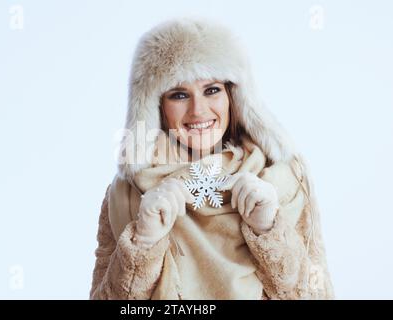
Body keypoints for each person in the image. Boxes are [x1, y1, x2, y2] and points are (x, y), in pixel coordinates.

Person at [89, 17, 334, 300]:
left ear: (235, 96)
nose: (198, 111)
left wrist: (270, 230)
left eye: (212, 90)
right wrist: (143, 241)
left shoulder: (283, 177)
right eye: (179, 95)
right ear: (156, 106)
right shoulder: (127, 195)